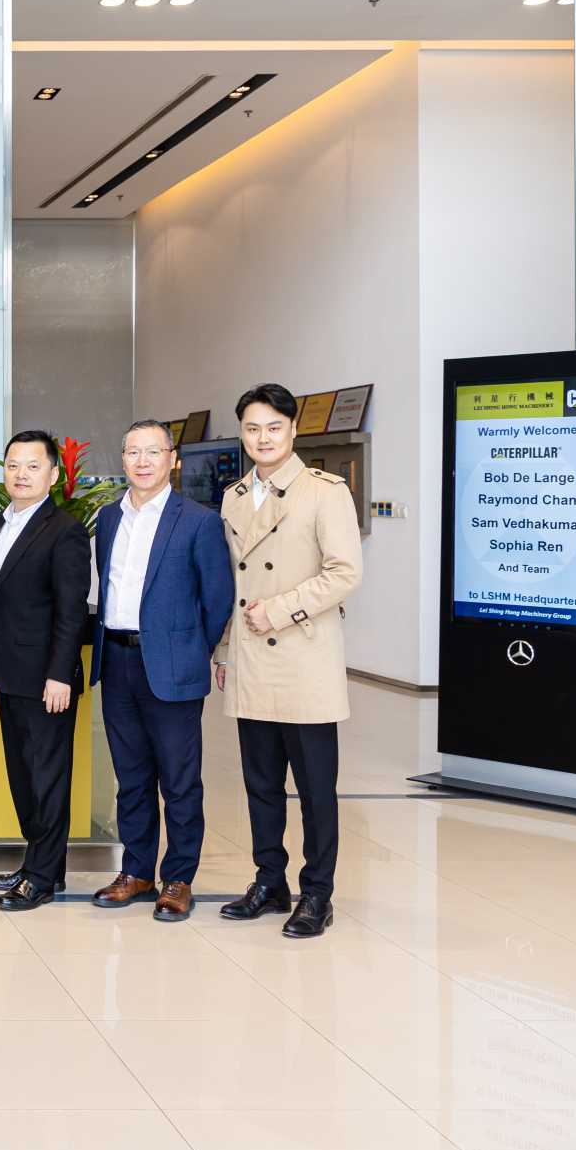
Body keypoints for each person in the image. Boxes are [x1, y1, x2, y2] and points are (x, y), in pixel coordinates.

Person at [216, 383, 363, 940]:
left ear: (293, 430)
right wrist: (225, 650)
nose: (263, 438)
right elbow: (231, 585)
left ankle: (317, 893)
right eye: (252, 428)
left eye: (274, 427)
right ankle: (269, 881)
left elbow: (344, 572)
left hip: (303, 656)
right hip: (251, 659)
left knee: (316, 789)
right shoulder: (233, 497)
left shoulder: (325, 492)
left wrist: (279, 611)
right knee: (260, 783)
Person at [89, 420, 234, 923]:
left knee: (179, 780)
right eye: (133, 452)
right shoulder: (109, 518)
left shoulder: (198, 521)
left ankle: (178, 878)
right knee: (130, 777)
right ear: (123, 460)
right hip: (117, 660)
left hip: (173, 665)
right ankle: (136, 871)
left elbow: (217, 599)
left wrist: (191, 650)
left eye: (154, 452)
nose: (143, 461)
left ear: (173, 460)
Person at [0, 431, 92, 912]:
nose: (21, 474)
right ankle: (40, 863)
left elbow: (71, 611)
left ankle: (41, 878)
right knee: (23, 775)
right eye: (13, 465)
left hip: (47, 678)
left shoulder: (65, 530)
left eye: (32, 466)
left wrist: (61, 674)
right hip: (7, 671)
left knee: (47, 778)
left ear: (53, 474)